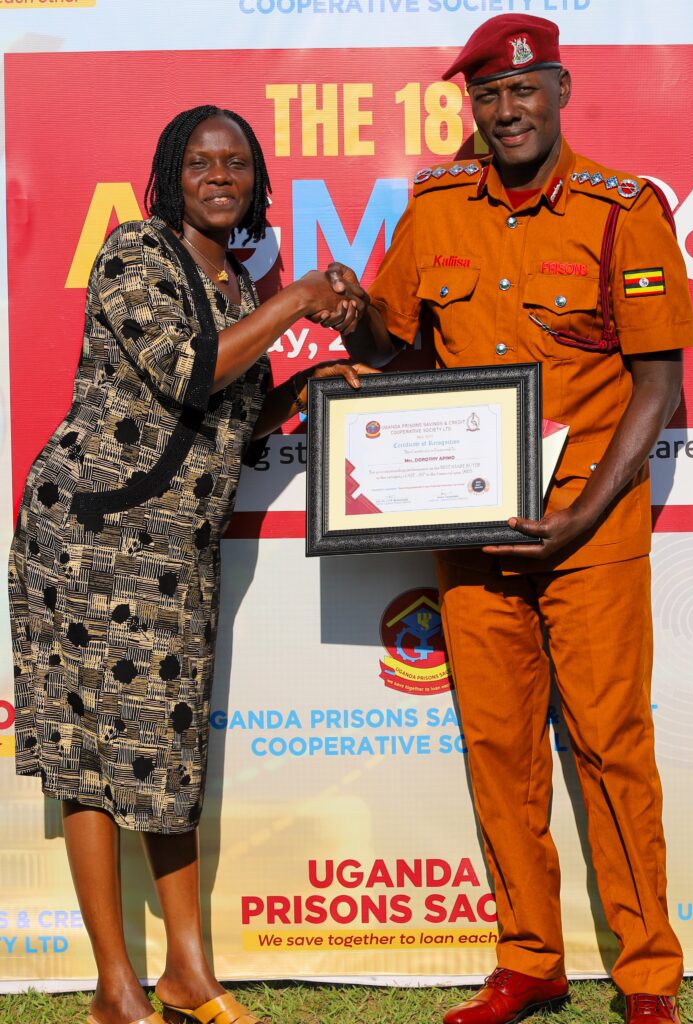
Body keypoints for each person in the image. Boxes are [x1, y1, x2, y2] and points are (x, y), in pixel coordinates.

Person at [342, 15, 693, 1024]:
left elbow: (658, 384)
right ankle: (529, 957)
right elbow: (390, 340)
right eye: (489, 95)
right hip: (473, 521)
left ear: (561, 92)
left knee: (610, 742)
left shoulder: (623, 210)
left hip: (591, 523)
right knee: (498, 745)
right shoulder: (434, 206)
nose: (507, 110)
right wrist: (349, 311)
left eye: (524, 91)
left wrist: (582, 515)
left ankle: (647, 973)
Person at [9, 105, 367, 1024]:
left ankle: (187, 974)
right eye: (202, 162)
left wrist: (305, 386)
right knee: (90, 754)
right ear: (172, 174)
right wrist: (299, 301)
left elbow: (229, 415)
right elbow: (189, 371)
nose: (220, 177)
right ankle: (115, 986)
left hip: (172, 549)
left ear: (256, 181)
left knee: (168, 751)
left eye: (236, 164)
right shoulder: (135, 251)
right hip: (91, 536)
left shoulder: (238, 283)